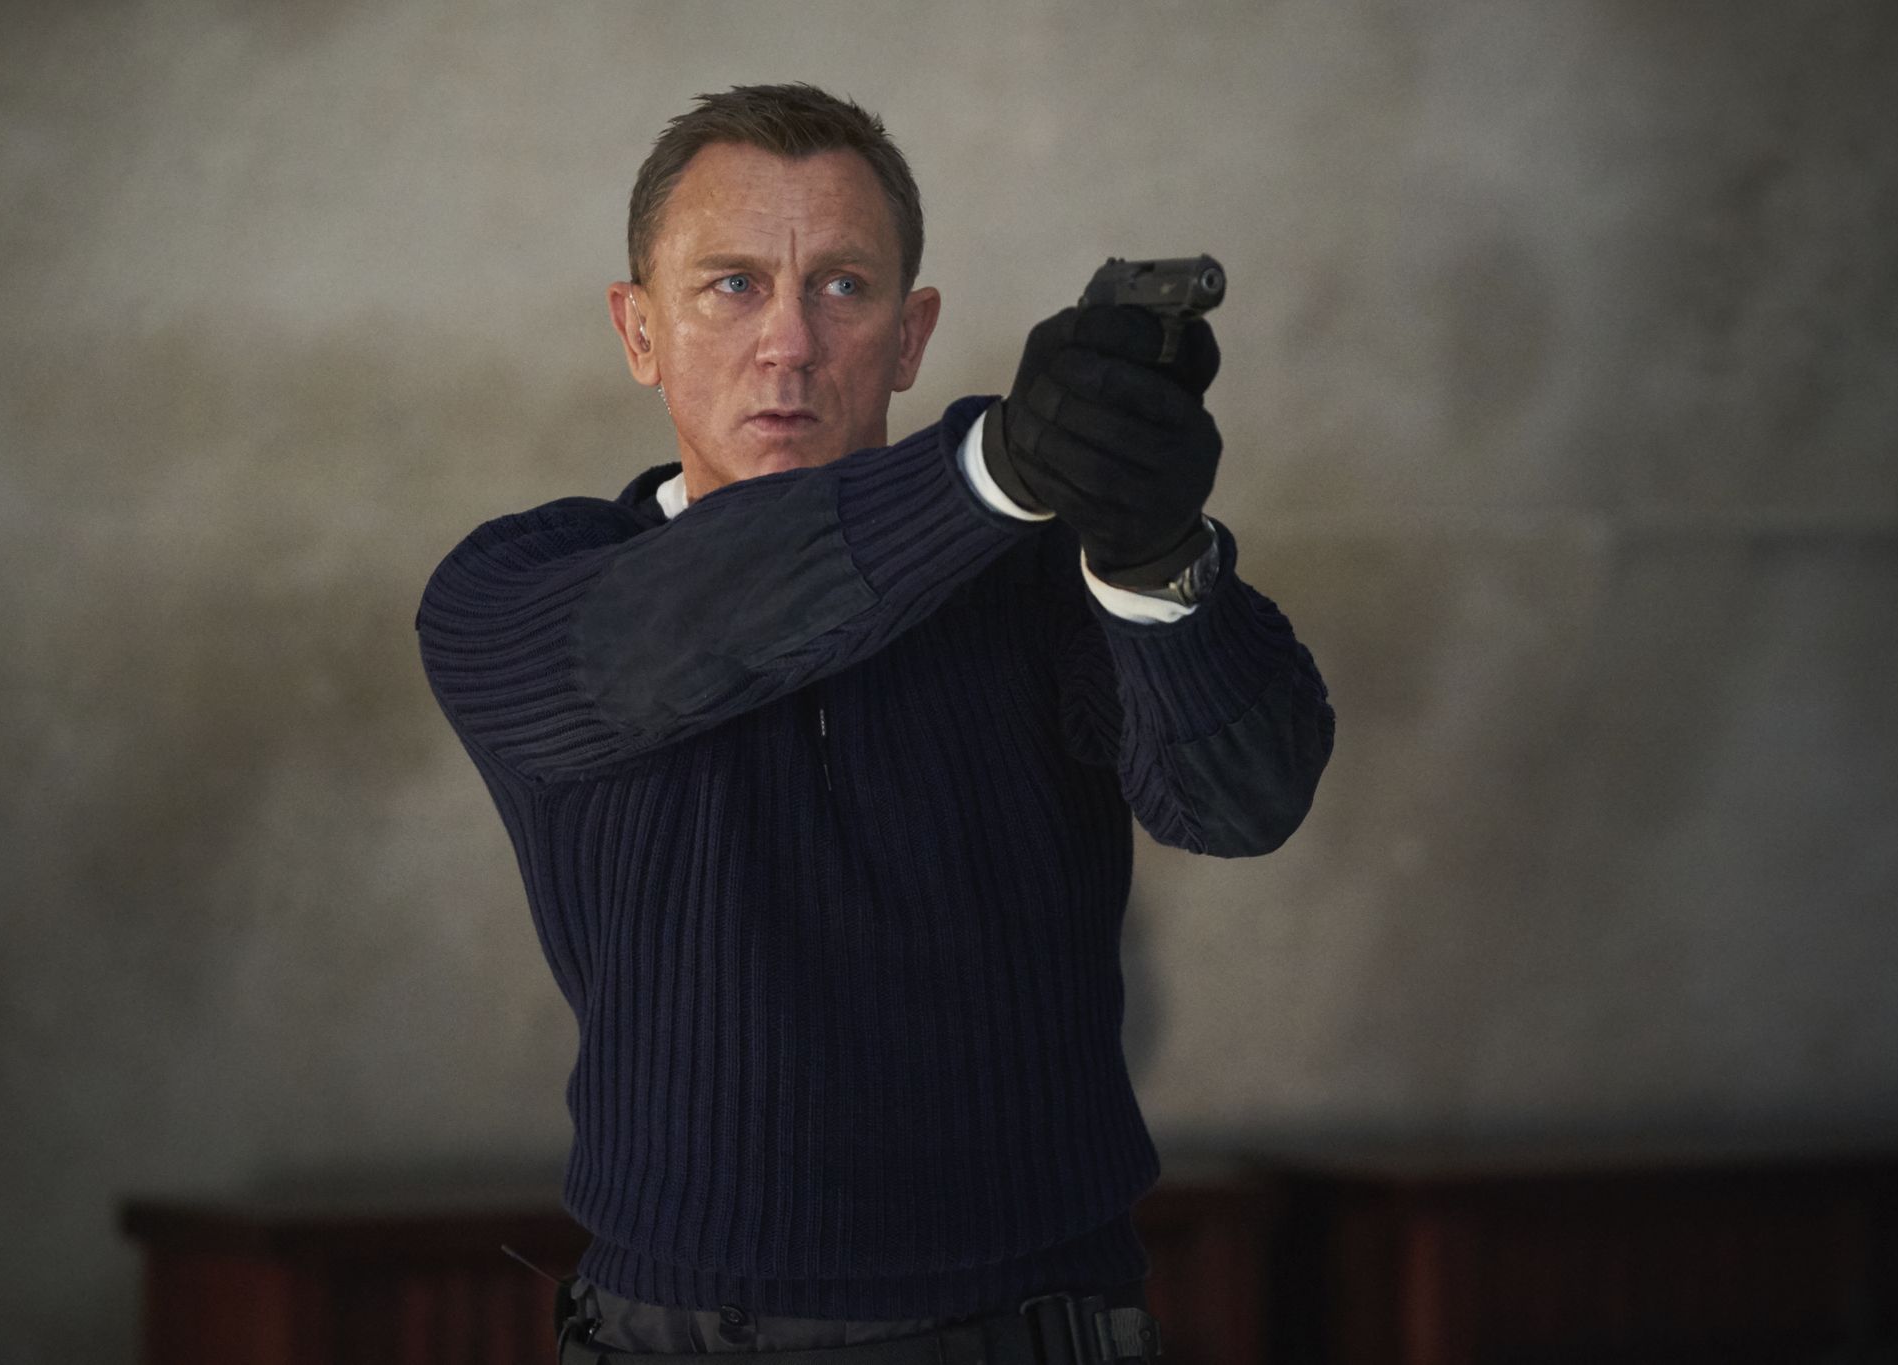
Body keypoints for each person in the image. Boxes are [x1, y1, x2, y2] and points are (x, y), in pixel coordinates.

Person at [415, 82, 1335, 1360]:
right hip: (674, 1336)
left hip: (1031, 1328)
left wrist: (1150, 551)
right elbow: (670, 636)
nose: (787, 343)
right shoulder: (517, 590)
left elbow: (1243, 802)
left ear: (910, 337)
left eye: (840, 287)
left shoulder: (1042, 575)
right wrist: (992, 467)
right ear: (638, 330)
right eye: (731, 286)